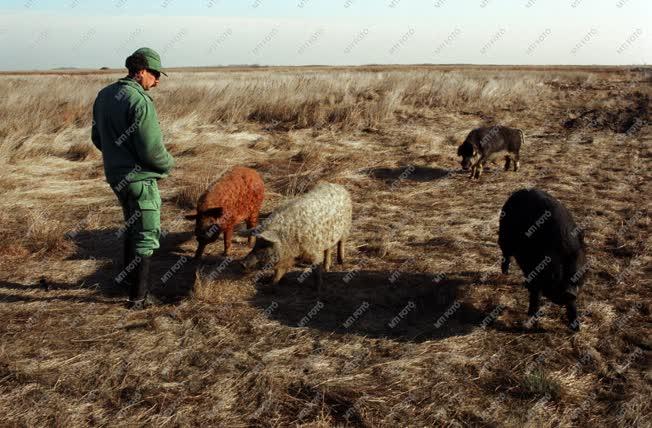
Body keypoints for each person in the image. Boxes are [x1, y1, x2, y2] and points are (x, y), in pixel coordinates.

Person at [91, 47, 175, 309]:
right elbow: (151, 150)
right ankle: (138, 298)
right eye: (154, 74)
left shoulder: (105, 95)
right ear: (140, 72)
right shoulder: (139, 100)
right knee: (147, 232)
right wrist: (168, 164)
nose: (157, 80)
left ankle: (124, 280)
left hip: (116, 176)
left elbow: (97, 138)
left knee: (131, 224)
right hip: (139, 180)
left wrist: (117, 154)